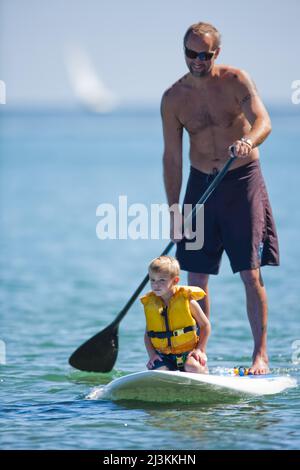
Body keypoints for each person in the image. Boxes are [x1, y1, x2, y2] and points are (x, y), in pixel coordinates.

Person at [161, 22, 280, 375]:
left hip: (241, 180)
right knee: (195, 277)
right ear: (182, 51)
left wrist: (250, 140)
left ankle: (260, 354)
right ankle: (199, 355)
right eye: (190, 53)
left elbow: (264, 121)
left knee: (249, 272)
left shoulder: (235, 81)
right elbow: (171, 157)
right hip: (200, 184)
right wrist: (175, 210)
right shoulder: (173, 98)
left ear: (217, 53)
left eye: (205, 54)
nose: (197, 60)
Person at [140, 255, 211, 373]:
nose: (156, 284)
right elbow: (148, 335)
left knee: (192, 367)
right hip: (164, 355)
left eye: (162, 280)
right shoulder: (152, 304)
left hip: (187, 353)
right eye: (152, 280)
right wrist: (152, 355)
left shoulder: (187, 301)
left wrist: (200, 350)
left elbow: (205, 326)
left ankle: (202, 369)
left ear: (175, 280)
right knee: (158, 370)